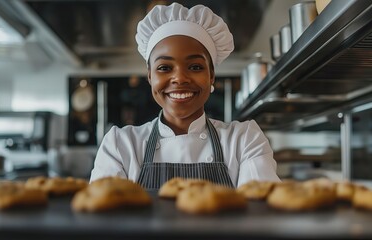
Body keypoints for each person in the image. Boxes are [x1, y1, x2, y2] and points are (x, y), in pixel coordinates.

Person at [90, 2, 280, 189]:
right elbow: (103, 215)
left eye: (195, 67)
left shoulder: (244, 139)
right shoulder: (120, 144)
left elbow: (261, 213)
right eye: (164, 68)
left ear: (211, 75)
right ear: (150, 76)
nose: (179, 78)